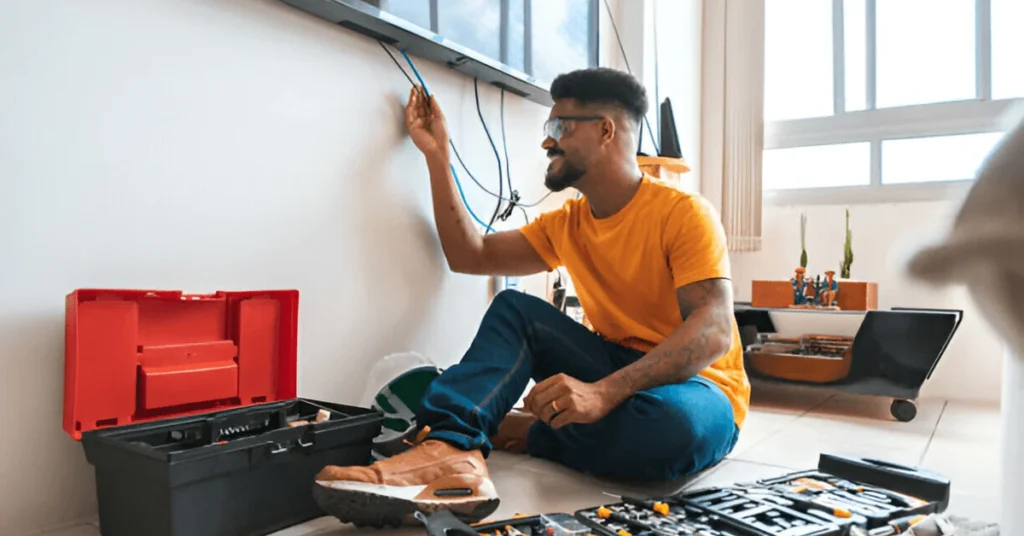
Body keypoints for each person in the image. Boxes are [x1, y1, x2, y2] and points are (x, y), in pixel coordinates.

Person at [312, 68, 750, 527]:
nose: (547, 142)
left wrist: (602, 393)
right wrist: (437, 156)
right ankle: (450, 449)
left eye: (560, 128)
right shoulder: (568, 223)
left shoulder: (683, 213)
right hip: (617, 364)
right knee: (515, 310)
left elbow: (714, 330)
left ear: (606, 130)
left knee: (670, 433)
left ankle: (528, 433)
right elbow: (471, 254)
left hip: (701, 387)